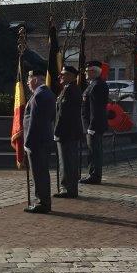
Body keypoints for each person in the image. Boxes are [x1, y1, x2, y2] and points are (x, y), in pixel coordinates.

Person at [23, 69, 56, 214]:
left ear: (35, 80)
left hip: (37, 141)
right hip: (44, 139)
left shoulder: (38, 95)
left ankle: (42, 203)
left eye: (29, 80)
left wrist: (28, 142)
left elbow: (34, 122)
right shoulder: (48, 93)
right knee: (42, 172)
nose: (27, 83)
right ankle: (44, 201)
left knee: (39, 173)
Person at [54, 63, 84, 198]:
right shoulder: (69, 89)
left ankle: (68, 189)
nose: (60, 76)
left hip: (67, 132)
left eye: (63, 74)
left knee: (67, 161)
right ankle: (69, 188)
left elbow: (63, 114)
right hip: (69, 132)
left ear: (71, 76)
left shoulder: (70, 90)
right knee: (67, 161)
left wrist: (56, 131)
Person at [81, 59, 110, 185]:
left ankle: (94, 176)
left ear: (93, 71)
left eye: (87, 71)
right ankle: (92, 173)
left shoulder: (97, 85)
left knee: (94, 152)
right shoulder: (93, 84)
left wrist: (91, 126)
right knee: (92, 151)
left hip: (94, 126)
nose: (85, 73)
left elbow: (96, 108)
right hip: (91, 125)